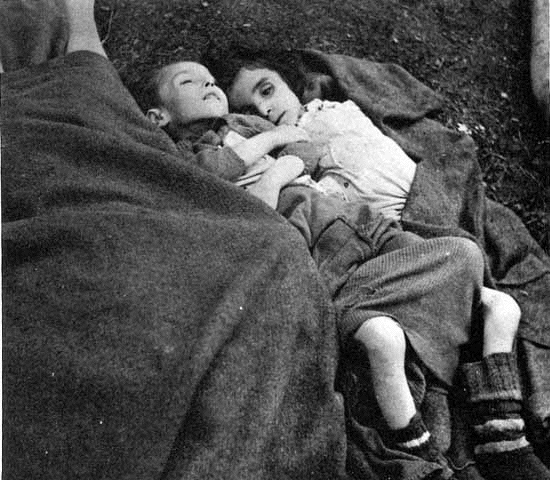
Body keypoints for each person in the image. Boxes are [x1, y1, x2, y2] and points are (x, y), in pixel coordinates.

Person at [139, 58, 550, 480]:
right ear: (158, 116)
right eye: (189, 81)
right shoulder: (177, 155)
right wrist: (275, 152)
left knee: (473, 265)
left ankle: (501, 430)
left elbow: (304, 149)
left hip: (359, 225)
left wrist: (277, 166)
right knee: (383, 334)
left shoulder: (246, 126)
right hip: (321, 245)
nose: (208, 83)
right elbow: (217, 172)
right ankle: (421, 450)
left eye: (210, 77)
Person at [1, 2, 354, 479]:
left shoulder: (86, 67)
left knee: (270, 253)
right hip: (46, 166)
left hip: (115, 162)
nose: (209, 87)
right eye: (192, 83)